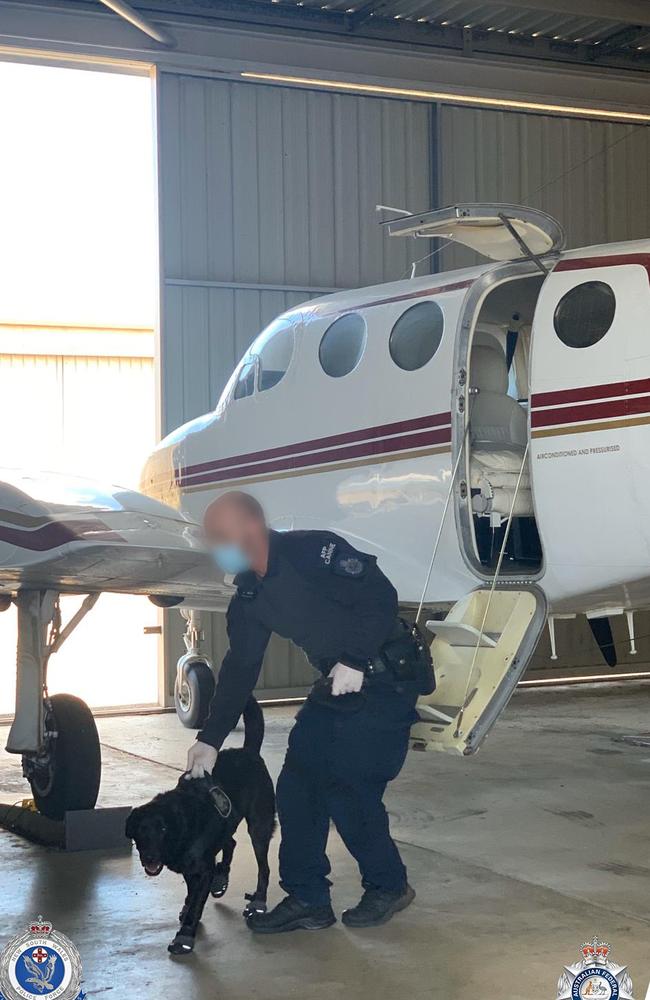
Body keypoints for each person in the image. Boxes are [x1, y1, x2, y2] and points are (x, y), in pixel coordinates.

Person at [186, 490, 432, 933]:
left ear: (252, 529)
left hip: (387, 678)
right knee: (298, 784)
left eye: (220, 536)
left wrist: (356, 658)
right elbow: (240, 667)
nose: (214, 547)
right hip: (337, 683)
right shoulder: (249, 594)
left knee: (348, 785)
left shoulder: (311, 552)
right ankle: (307, 897)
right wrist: (209, 739)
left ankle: (388, 885)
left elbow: (380, 597)